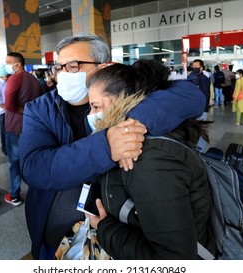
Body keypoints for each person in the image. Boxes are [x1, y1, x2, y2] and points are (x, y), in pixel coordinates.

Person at [19, 33, 206, 260]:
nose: (63, 75)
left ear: (103, 66)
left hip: (121, 230)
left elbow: (189, 94)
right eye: (59, 67)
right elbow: (34, 167)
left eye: (73, 65)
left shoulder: (120, 90)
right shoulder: (40, 109)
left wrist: (130, 124)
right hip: (59, 234)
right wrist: (107, 146)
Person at [85, 60, 215, 259]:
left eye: (95, 106)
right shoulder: (137, 139)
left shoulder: (149, 160)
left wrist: (104, 228)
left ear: (122, 100)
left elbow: (174, 260)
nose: (91, 115)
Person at [4, 52, 42, 206]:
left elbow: (9, 105)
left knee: (15, 162)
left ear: (18, 64)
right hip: (32, 126)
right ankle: (37, 191)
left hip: (15, 126)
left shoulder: (14, 78)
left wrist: (25, 111)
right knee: (32, 159)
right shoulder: (33, 79)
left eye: (8, 62)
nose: (5, 64)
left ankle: (14, 195)